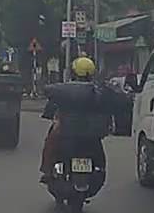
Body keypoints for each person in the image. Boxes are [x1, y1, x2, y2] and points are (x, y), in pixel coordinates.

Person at [39, 55, 130, 183]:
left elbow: (51, 101)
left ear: (74, 72)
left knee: (51, 141)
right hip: (91, 136)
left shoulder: (65, 90)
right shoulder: (100, 90)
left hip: (68, 133)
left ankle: (47, 171)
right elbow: (118, 102)